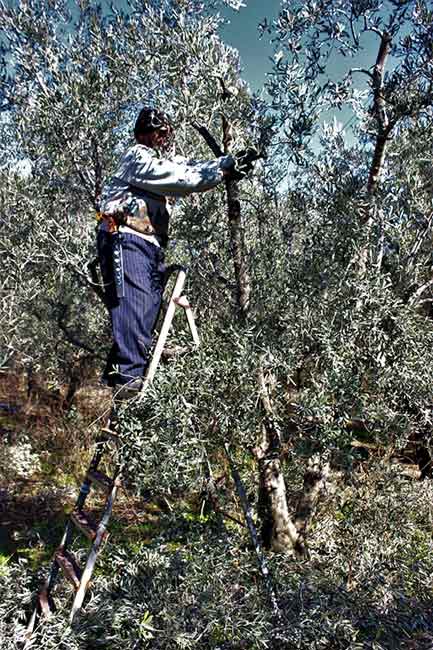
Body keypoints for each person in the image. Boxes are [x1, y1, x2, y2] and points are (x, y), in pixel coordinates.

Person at [98, 107, 248, 396]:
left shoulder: (164, 160)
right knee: (135, 308)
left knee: (145, 312)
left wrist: (228, 163)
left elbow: (192, 168)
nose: (160, 137)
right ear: (142, 135)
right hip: (124, 238)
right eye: (154, 132)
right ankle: (128, 386)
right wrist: (224, 168)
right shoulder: (138, 157)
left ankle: (129, 377)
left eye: (164, 132)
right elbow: (181, 178)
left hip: (147, 245)